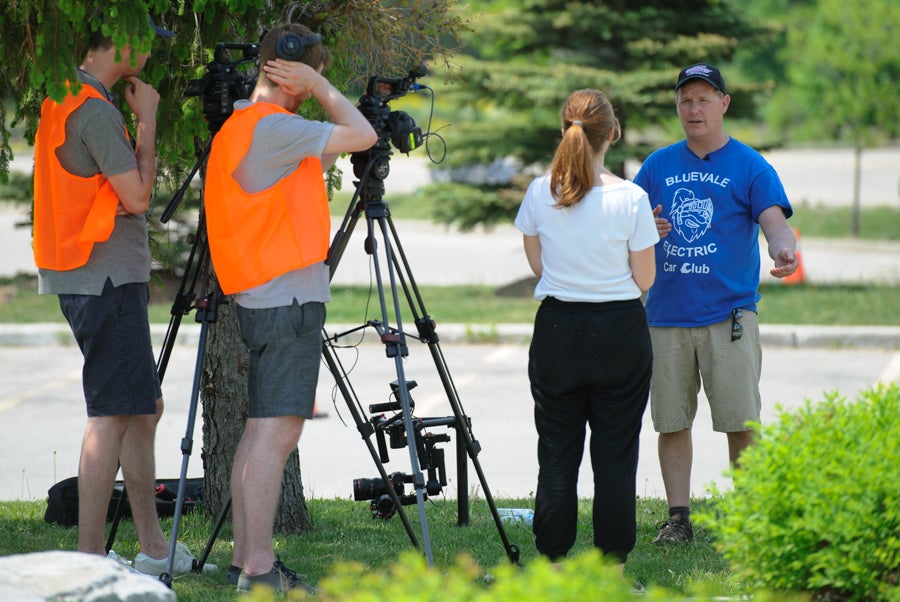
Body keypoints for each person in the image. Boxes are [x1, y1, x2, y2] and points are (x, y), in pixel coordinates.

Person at [203, 23, 377, 593]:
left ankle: (244, 561)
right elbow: (363, 134)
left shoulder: (239, 126)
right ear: (287, 69)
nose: (310, 88)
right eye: (305, 75)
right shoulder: (275, 127)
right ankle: (258, 570)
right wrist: (320, 86)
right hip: (286, 300)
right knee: (276, 437)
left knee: (259, 434)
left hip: (262, 294)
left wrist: (311, 82)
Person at [31, 15, 206, 575]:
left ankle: (152, 548)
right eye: (149, 43)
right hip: (102, 275)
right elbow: (135, 197)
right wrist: (148, 120)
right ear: (123, 43)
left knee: (143, 407)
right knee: (112, 414)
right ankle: (89, 559)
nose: (155, 53)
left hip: (89, 272)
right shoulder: (97, 109)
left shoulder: (65, 97)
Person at [634, 63, 798, 544]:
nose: (694, 109)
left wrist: (782, 247)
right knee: (671, 422)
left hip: (730, 317)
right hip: (665, 317)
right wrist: (647, 232)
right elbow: (629, 229)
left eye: (704, 99)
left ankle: (749, 519)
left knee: (740, 424)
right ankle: (678, 519)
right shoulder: (658, 166)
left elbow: (774, 219)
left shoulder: (749, 165)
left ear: (724, 104)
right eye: (686, 100)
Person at [514, 89, 659, 569]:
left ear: (564, 130)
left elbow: (538, 265)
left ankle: (553, 565)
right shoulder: (632, 198)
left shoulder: (540, 191)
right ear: (612, 134)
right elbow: (645, 279)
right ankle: (612, 569)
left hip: (557, 328)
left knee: (556, 452)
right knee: (616, 455)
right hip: (619, 330)